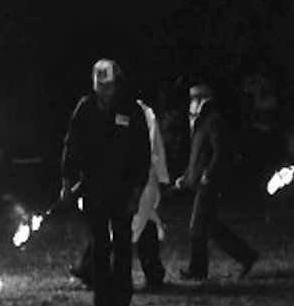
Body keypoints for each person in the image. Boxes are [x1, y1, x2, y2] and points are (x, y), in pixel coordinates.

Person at [60, 59, 152, 306]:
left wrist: (136, 192)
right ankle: (102, 304)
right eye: (100, 87)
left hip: (123, 190)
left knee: (123, 245)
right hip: (94, 189)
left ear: (117, 84)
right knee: (100, 245)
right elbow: (71, 144)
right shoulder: (85, 108)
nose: (104, 92)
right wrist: (67, 181)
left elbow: (141, 154)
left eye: (109, 87)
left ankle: (122, 301)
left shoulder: (131, 110)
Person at [73, 87, 171, 290]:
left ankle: (93, 270)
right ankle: (153, 273)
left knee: (123, 226)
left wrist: (159, 176)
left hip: (136, 178)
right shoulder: (110, 112)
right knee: (143, 223)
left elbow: (152, 147)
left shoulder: (139, 112)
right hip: (124, 178)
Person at [175, 83, 259, 280]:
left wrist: (209, 174)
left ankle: (198, 271)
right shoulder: (202, 122)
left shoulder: (212, 121)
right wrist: (187, 177)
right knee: (211, 227)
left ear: (202, 101)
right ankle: (247, 256)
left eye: (193, 101)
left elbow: (220, 151)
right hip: (204, 181)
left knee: (197, 226)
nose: (190, 105)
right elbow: (198, 156)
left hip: (210, 184)